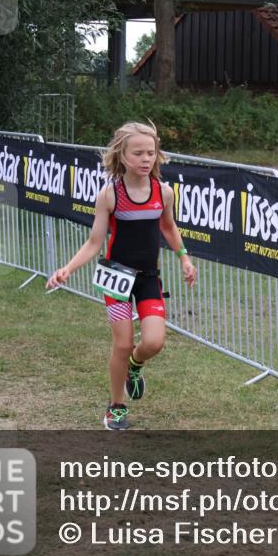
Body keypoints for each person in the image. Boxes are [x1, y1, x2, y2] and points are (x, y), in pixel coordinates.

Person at [47, 121, 196, 430]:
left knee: (154, 342)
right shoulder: (110, 195)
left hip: (148, 278)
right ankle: (116, 406)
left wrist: (184, 258)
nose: (145, 159)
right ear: (122, 155)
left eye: (151, 153)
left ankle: (135, 367)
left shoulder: (163, 192)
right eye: (138, 153)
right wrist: (67, 269)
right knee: (123, 343)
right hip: (116, 277)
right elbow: (94, 243)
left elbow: (168, 227)